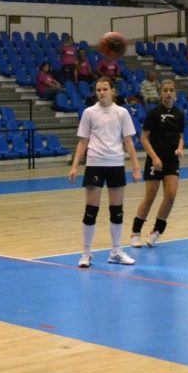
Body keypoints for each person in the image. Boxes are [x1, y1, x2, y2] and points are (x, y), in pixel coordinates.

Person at [69, 76, 141, 268]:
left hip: (116, 164)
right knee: (91, 211)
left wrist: (135, 168)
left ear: (112, 91)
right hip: (94, 163)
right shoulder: (89, 113)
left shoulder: (122, 113)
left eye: (105, 89)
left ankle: (116, 252)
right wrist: (75, 166)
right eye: (98, 89)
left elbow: (128, 142)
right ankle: (86, 254)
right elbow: (83, 141)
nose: (101, 92)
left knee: (117, 211)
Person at [130, 78, 183, 248]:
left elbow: (180, 137)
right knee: (150, 197)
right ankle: (135, 232)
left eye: (171, 90)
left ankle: (156, 231)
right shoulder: (153, 113)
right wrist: (154, 157)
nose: (168, 93)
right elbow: (144, 138)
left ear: (175, 94)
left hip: (172, 161)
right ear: (161, 93)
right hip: (155, 160)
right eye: (165, 90)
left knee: (171, 195)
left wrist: (180, 148)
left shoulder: (179, 114)